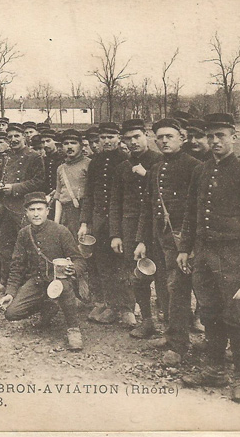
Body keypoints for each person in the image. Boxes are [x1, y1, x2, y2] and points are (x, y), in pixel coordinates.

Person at [178, 113, 240, 403]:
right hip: (203, 255)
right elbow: (191, 214)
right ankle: (214, 370)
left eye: (221, 136)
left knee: (237, 316)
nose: (215, 142)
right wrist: (183, 248)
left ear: (234, 137)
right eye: (211, 136)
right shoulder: (200, 171)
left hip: (233, 256)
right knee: (210, 312)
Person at [134, 119, 201, 354]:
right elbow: (148, 206)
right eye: (159, 137)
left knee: (183, 289)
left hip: (185, 240)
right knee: (168, 288)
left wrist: (189, 243)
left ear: (182, 138)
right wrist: (142, 239)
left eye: (169, 136)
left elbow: (198, 209)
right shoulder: (157, 168)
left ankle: (182, 345)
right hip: (161, 239)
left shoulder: (193, 166)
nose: (163, 141)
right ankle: (173, 335)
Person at [0, 192, 86, 351]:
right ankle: (48, 305)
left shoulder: (60, 231)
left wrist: (73, 269)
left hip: (60, 281)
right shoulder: (24, 233)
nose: (36, 213)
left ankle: (73, 329)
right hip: (37, 282)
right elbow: (17, 265)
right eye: (32, 210)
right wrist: (10, 293)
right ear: (26, 212)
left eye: (40, 209)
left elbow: (79, 260)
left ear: (47, 210)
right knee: (11, 313)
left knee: (64, 287)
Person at [109, 119, 163, 328]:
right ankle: (142, 317)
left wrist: (147, 175)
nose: (133, 142)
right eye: (128, 139)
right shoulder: (122, 168)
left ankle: (167, 320)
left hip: (157, 226)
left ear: (146, 135)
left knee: (162, 275)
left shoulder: (161, 162)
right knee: (136, 273)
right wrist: (115, 234)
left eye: (137, 137)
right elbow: (116, 203)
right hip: (130, 226)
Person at [79, 123, 128, 323]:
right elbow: (88, 194)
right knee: (103, 265)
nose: (107, 141)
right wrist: (85, 221)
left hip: (122, 220)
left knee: (123, 265)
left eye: (111, 137)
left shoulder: (126, 160)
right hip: (99, 220)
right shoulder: (95, 162)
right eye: (103, 138)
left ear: (119, 138)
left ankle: (127, 308)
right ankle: (109, 306)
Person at [0, 124, 45, 295]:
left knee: (27, 247)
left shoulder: (34, 156)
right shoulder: (6, 157)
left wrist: (14, 188)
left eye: (17, 136)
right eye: (10, 137)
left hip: (22, 208)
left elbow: (39, 181)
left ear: (25, 137)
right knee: (4, 246)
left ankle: (29, 286)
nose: (13, 140)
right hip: (5, 207)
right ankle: (4, 282)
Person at [53, 129, 90, 240]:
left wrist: (85, 222)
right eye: (66, 144)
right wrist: (56, 223)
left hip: (82, 212)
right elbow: (58, 196)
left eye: (73, 143)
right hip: (66, 214)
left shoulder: (89, 164)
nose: (69, 147)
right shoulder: (61, 168)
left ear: (81, 145)